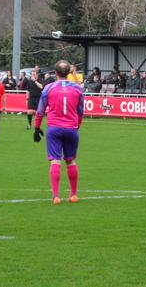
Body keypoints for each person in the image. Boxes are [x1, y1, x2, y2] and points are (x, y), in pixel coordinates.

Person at [34, 60, 84, 205]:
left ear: (55, 73)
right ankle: (73, 195)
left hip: (54, 129)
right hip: (71, 129)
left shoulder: (48, 88)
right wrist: (77, 126)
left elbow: (40, 111)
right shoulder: (77, 89)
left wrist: (37, 128)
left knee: (55, 160)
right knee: (70, 160)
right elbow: (81, 112)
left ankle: (56, 196)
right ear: (69, 73)